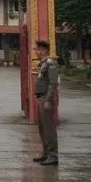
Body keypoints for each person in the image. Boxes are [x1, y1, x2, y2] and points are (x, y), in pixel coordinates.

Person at [32, 38, 59, 166]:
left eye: (37, 49)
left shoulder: (51, 64)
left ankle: (53, 155)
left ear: (43, 50)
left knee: (49, 129)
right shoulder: (43, 64)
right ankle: (46, 153)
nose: (35, 52)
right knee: (42, 128)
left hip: (46, 99)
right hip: (41, 98)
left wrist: (48, 100)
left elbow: (53, 83)